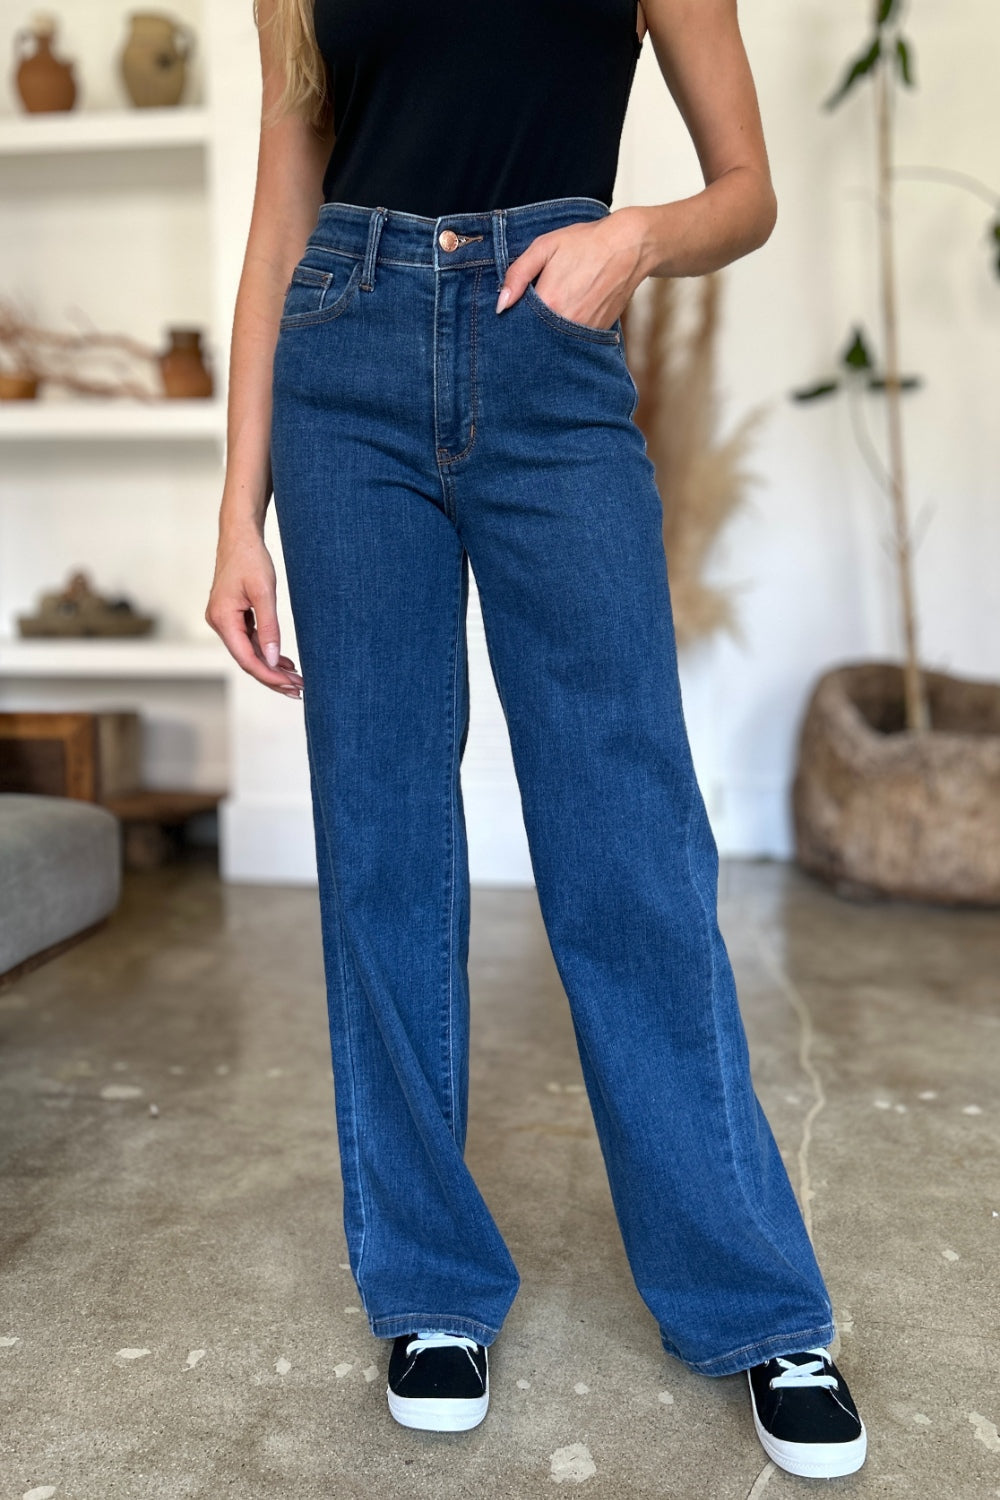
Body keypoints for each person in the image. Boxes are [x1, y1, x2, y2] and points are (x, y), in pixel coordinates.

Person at [205, 0, 867, 1480]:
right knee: (383, 842)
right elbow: (282, 215)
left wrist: (636, 240)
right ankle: (430, 1285)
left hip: (549, 356)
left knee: (626, 840)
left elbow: (745, 189)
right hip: (343, 371)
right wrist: (236, 509)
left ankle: (754, 1301)